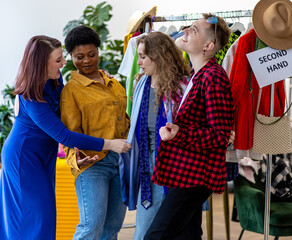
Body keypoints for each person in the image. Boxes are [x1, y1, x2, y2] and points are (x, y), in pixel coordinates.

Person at [0, 35, 128, 240]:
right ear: (42, 64)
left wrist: (98, 80)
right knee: (36, 216)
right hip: (24, 158)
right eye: (58, 60)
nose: (64, 63)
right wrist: (110, 144)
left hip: (43, 156)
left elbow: (71, 108)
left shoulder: (55, 80)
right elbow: (65, 136)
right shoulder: (31, 97)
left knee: (44, 215)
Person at [144, 14, 234, 239]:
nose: (184, 30)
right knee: (187, 235)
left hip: (195, 175)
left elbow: (220, 135)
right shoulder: (197, 75)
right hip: (186, 172)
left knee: (155, 236)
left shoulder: (213, 77)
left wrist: (179, 133)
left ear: (208, 45)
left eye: (193, 30)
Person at [60, 25, 131, 240]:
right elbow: (69, 134)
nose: (87, 61)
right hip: (92, 164)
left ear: (98, 51)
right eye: (79, 57)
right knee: (91, 228)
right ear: (71, 56)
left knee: (111, 229)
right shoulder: (71, 91)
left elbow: (125, 120)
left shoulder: (114, 84)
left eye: (92, 54)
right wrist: (74, 160)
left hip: (120, 163)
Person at [120, 31, 191, 240]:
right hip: (147, 162)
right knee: (149, 223)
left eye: (143, 57)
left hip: (172, 163)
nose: (139, 62)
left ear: (159, 55)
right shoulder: (141, 83)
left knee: (159, 226)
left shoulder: (182, 87)